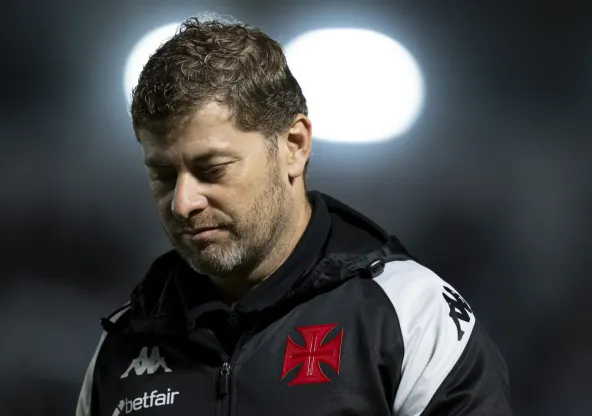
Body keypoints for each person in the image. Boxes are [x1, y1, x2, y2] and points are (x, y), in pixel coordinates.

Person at [76, 14, 512, 416]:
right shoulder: (121, 344)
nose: (183, 202)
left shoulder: (412, 315)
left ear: (293, 146)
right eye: (163, 175)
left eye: (212, 170)